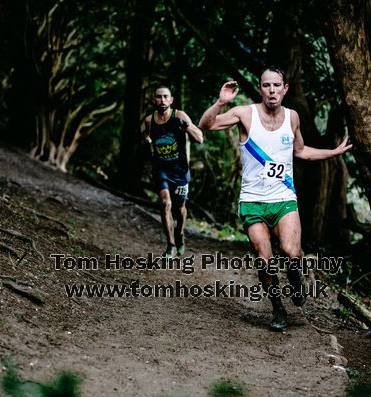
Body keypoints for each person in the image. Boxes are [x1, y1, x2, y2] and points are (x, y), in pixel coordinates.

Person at [198, 67, 352, 331]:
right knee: (264, 258)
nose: (271, 90)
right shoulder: (245, 114)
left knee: (292, 252)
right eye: (266, 85)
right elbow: (206, 125)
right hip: (252, 201)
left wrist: (333, 151)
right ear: (260, 89)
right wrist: (221, 102)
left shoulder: (292, 118)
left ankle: (296, 280)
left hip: (283, 198)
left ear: (285, 89)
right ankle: (278, 308)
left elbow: (301, 151)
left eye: (276, 85)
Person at [143, 86, 203, 258]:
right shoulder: (149, 120)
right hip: (161, 169)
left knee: (180, 207)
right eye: (158, 97)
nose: (162, 100)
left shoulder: (179, 116)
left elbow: (199, 138)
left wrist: (186, 127)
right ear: (154, 99)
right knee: (165, 204)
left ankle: (180, 233)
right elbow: (147, 135)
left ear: (171, 99)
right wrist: (148, 140)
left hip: (180, 170)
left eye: (165, 97)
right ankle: (170, 245)